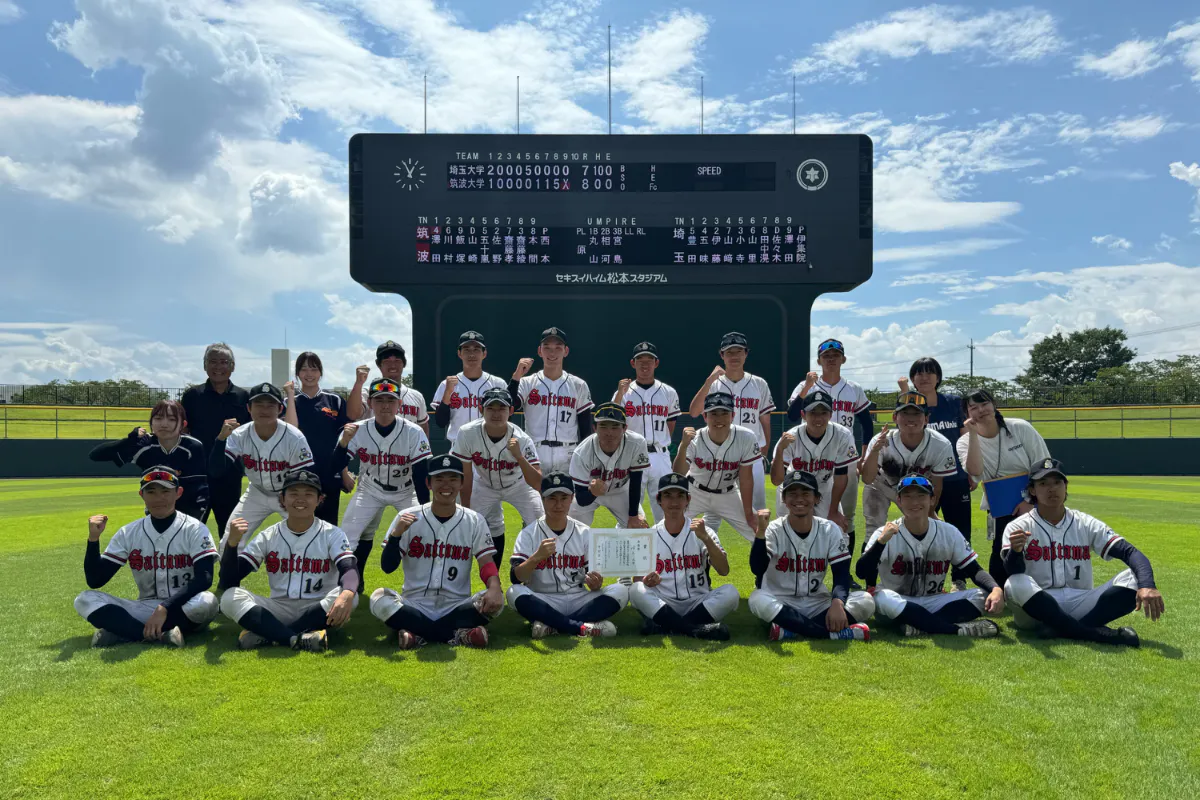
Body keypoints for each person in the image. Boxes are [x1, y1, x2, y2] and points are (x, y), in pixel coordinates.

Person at [1002, 459, 1164, 648]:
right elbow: (1012, 570)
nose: (1052, 489)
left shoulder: (1085, 523)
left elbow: (1130, 552)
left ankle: (1060, 629)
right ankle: (1095, 634)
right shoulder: (1018, 526)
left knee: (1136, 577)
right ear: (1032, 490)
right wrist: (1015, 552)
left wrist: (1148, 585)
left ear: (1066, 486)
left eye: (1057, 482)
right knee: (1015, 582)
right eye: (1043, 483)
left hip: (1080, 603)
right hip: (1036, 609)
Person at [368, 456, 504, 649]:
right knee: (378, 598)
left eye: (453, 479)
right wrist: (396, 536)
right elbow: (388, 567)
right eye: (439, 479)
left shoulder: (475, 520)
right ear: (428, 483)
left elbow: (486, 561)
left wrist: (494, 587)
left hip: (457, 605)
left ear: (461, 483)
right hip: (414, 604)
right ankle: (457, 635)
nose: (446, 485)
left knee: (497, 601)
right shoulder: (407, 517)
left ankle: (417, 633)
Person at [74, 467, 219, 648]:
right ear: (141, 495)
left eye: (165, 491)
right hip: (145, 608)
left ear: (178, 493)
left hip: (184, 605)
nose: (158, 498)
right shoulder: (128, 532)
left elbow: (205, 578)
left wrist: (165, 607)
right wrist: (93, 540)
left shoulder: (195, 529)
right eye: (151, 492)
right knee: (84, 599)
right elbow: (96, 580)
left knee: (207, 602)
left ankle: (123, 632)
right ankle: (160, 635)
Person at [218, 470, 359, 653]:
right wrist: (231, 545)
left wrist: (347, 593)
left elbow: (349, 568)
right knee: (229, 597)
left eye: (308, 494)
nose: (300, 499)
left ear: (319, 500)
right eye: (293, 494)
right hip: (279, 607)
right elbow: (229, 581)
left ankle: (270, 634)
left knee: (351, 595)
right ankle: (296, 639)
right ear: (282, 499)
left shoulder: (332, 534)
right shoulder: (268, 536)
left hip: (319, 606)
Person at [856, 475, 1004, 637]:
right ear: (899, 500)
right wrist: (881, 543)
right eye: (908, 496)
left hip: (934, 601)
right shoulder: (884, 533)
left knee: (984, 594)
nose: (914, 502)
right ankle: (954, 630)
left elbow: (973, 570)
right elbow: (861, 572)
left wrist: (995, 588)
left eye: (921, 496)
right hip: (898, 602)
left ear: (932, 499)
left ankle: (918, 626)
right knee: (881, 597)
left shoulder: (948, 532)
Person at [331, 379, 432, 592]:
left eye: (390, 400)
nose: (385, 405)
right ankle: (347, 585)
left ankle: (424, 585)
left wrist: (424, 508)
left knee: (423, 531)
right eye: (379, 400)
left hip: (406, 490)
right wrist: (343, 444)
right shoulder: (357, 430)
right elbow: (336, 465)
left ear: (399, 404)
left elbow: (421, 474)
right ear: (370, 403)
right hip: (370, 488)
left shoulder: (414, 432)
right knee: (347, 535)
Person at [748, 471, 874, 641]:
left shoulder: (829, 529)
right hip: (781, 601)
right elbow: (757, 568)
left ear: (817, 498)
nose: (799, 499)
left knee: (866, 600)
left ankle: (790, 630)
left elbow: (841, 574)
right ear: (784, 499)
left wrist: (837, 602)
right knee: (757, 599)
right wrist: (760, 534)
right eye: (792, 494)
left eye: (806, 493)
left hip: (818, 603)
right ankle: (829, 634)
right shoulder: (774, 529)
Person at [506, 472, 630, 638]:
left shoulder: (584, 532)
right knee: (513, 592)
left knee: (621, 590)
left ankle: (552, 626)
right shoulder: (529, 533)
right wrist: (536, 558)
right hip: (544, 599)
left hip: (578, 599)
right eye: (552, 498)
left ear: (572, 498)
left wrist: (596, 583)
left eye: (563, 498)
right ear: (542, 499)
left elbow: (594, 581)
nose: (558, 504)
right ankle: (581, 627)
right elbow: (516, 578)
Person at [786, 338, 874, 563]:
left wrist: (864, 454)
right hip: (811, 456)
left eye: (836, 355)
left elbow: (866, 423)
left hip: (844, 455)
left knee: (847, 516)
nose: (831, 359)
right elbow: (792, 415)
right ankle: (801, 562)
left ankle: (843, 566)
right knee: (801, 510)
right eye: (826, 356)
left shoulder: (853, 389)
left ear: (843, 359)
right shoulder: (807, 385)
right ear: (819, 361)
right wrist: (807, 387)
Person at [956, 388, 1051, 586]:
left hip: (1035, 501)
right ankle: (1000, 592)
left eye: (985, 404)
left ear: (994, 405)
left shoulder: (1020, 428)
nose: (981, 410)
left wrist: (1030, 502)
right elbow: (975, 472)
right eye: (973, 407)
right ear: (967, 414)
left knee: (1039, 548)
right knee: (1001, 551)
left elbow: (1044, 466)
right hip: (1000, 506)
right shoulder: (964, 442)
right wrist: (972, 434)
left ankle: (1043, 588)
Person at [629, 473, 738, 640]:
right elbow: (638, 580)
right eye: (668, 495)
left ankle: (666, 627)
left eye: (680, 496)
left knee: (731, 592)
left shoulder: (704, 531)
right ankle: (694, 629)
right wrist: (646, 581)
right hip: (663, 602)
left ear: (688, 500)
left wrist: (706, 539)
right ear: (659, 500)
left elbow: (723, 570)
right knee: (636, 589)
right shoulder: (649, 535)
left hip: (698, 601)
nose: (674, 502)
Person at [209, 382, 314, 550]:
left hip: (288, 494)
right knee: (230, 540)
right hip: (256, 493)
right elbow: (216, 471)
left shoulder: (294, 437)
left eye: (270, 405)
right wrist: (221, 440)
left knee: (306, 541)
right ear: (249, 408)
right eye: (259, 404)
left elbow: (306, 475)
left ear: (280, 409)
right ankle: (230, 569)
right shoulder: (239, 434)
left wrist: (291, 498)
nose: (264, 410)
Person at [898, 358, 974, 590]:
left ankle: (959, 579)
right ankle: (922, 576)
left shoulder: (953, 403)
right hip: (921, 482)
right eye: (919, 373)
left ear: (938, 377)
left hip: (955, 477)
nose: (924, 377)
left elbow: (965, 437)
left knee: (960, 529)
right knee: (919, 528)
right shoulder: (908, 403)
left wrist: (970, 470)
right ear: (913, 378)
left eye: (930, 373)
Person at [452, 387, 543, 566]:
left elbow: (538, 483)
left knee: (539, 520)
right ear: (481, 410)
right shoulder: (467, 433)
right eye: (490, 408)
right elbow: (466, 476)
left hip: (518, 485)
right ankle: (491, 576)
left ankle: (529, 569)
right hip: (483, 484)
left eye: (501, 408)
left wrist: (519, 457)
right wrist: (467, 511)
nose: (496, 413)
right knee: (465, 524)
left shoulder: (522, 438)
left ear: (511, 411)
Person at [687, 332, 774, 514]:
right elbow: (694, 412)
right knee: (713, 510)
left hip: (751, 453)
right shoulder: (714, 384)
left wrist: (764, 450)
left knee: (757, 508)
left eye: (738, 351)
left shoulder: (759, 383)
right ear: (722, 355)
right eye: (729, 352)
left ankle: (757, 535)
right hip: (720, 456)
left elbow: (765, 420)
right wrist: (709, 381)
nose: (734, 356)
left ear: (746, 353)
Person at [88, 400, 209, 519]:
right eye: (158, 418)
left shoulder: (192, 446)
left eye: (172, 419)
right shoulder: (144, 445)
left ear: (183, 424)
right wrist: (129, 441)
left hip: (188, 512)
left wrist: (195, 515)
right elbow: (96, 455)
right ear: (151, 423)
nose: (164, 424)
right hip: (155, 510)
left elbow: (198, 487)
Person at [860, 392, 958, 539]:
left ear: (926, 419)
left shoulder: (940, 444)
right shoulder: (881, 440)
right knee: (873, 529)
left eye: (917, 414)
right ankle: (872, 553)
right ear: (895, 417)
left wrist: (930, 512)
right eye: (905, 413)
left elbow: (937, 485)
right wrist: (874, 451)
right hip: (881, 485)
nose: (911, 418)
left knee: (920, 526)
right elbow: (867, 479)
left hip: (914, 489)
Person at [180, 343, 251, 534]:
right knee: (190, 528)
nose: (218, 367)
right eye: (213, 362)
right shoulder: (192, 396)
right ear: (205, 365)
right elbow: (182, 431)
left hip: (230, 473)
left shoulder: (244, 397)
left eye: (223, 362)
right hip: (197, 473)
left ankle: (227, 556)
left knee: (228, 530)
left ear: (232, 366)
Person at [672, 392, 760, 541]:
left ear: (733, 415)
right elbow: (678, 473)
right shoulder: (694, 439)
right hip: (694, 492)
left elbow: (745, 479)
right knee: (671, 527)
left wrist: (749, 514)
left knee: (757, 532)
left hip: (728, 494)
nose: (719, 419)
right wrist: (683, 446)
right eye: (713, 413)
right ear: (705, 416)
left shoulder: (746, 437)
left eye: (724, 413)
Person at [612, 341, 683, 522]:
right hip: (632, 455)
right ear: (633, 363)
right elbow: (613, 420)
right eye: (640, 360)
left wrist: (660, 443)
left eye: (649, 360)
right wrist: (619, 394)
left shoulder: (668, 392)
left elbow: (670, 424)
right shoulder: (624, 392)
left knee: (666, 511)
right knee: (630, 511)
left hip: (660, 455)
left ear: (656, 363)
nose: (645, 364)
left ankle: (664, 541)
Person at [509, 327, 595, 474]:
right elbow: (509, 408)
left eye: (558, 347)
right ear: (539, 351)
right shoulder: (527, 382)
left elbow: (585, 427)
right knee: (534, 490)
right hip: (534, 451)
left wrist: (585, 457)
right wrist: (516, 377)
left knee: (569, 490)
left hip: (568, 452)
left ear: (566, 351)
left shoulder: (578, 385)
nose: (552, 353)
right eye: (547, 347)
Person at [769, 390, 858, 528]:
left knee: (836, 530)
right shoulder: (791, 437)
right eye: (813, 413)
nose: (818, 418)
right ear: (803, 415)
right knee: (786, 531)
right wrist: (780, 450)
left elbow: (841, 476)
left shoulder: (842, 435)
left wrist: (833, 511)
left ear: (831, 415)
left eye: (823, 413)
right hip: (794, 487)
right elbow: (776, 480)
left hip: (824, 486)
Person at [282, 351, 350, 525]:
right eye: (304, 369)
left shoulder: (335, 400)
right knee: (301, 523)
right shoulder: (289, 401)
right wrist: (290, 396)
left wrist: (344, 473)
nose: (309, 374)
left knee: (329, 525)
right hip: (300, 471)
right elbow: (291, 430)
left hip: (330, 471)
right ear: (297, 373)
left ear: (320, 372)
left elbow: (342, 440)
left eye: (313, 369)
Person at [569, 402, 651, 528]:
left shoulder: (636, 443)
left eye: (615, 426)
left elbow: (636, 482)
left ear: (625, 428)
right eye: (603, 426)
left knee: (639, 528)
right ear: (594, 428)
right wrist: (593, 493)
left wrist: (633, 515)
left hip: (620, 491)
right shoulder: (582, 452)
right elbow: (580, 499)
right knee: (572, 527)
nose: (609, 432)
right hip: (590, 492)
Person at [431, 331, 509, 447]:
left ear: (484, 353)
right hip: (459, 446)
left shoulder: (497, 384)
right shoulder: (447, 385)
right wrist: (447, 394)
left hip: (490, 446)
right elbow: (441, 423)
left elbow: (507, 419)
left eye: (476, 350)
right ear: (459, 353)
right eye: (467, 350)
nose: (471, 354)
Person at [347, 340, 429, 433]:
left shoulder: (416, 396)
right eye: (387, 361)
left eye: (397, 361)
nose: (393, 365)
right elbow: (353, 414)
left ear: (404, 363)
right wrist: (358, 383)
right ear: (379, 365)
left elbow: (423, 428)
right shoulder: (368, 392)